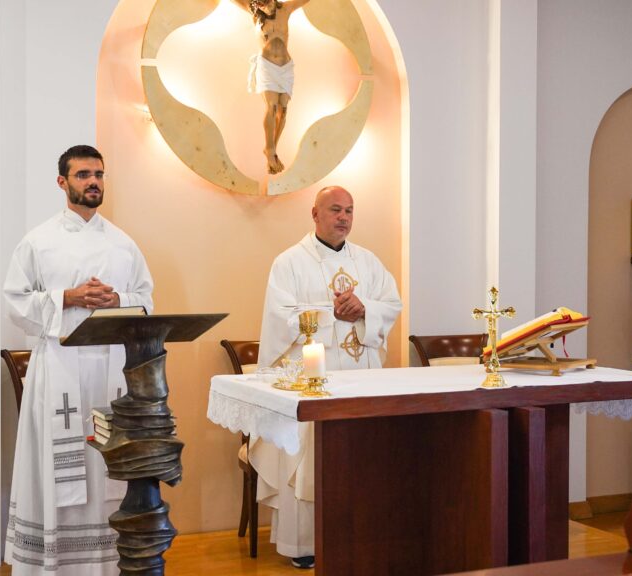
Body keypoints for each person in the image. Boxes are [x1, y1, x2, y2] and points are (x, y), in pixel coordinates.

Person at [3, 145, 154, 574]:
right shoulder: (39, 241)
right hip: (60, 370)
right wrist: (68, 297)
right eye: (84, 174)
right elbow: (15, 302)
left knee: (107, 467)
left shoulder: (123, 244)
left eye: (99, 175)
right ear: (62, 182)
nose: (93, 182)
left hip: (111, 372)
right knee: (61, 465)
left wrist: (116, 299)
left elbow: (146, 298)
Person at [254, 185, 402, 568]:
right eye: (335, 209)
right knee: (310, 457)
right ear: (315, 213)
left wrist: (365, 308)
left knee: (362, 458)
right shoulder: (289, 262)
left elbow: (392, 303)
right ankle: (305, 545)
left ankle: (362, 536)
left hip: (360, 380)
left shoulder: (368, 262)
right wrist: (330, 314)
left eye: (349, 211)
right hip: (311, 383)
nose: (343, 217)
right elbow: (279, 319)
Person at [230, 0, 313, 175]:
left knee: (283, 110)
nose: (264, 8)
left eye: (266, 3)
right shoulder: (255, 15)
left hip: (286, 66)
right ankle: (269, 151)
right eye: (260, 5)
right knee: (272, 106)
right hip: (267, 65)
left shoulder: (286, 9)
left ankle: (272, 149)